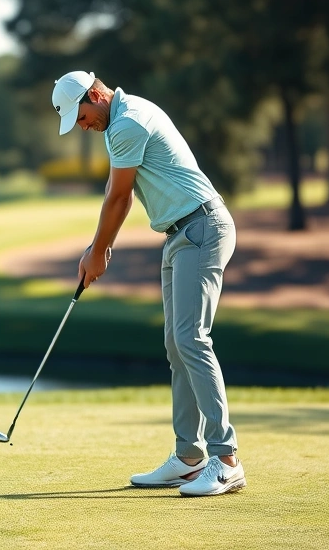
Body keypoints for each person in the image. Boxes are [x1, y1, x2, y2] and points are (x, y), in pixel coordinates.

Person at [51, 71, 245, 497]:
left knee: (191, 339)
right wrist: (96, 246)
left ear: (95, 94)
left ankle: (227, 460)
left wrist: (99, 251)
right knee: (177, 344)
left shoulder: (128, 122)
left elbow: (121, 198)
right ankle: (189, 458)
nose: (81, 126)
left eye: (80, 116)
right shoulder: (118, 121)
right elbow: (114, 190)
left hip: (202, 228)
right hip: (178, 235)